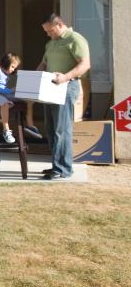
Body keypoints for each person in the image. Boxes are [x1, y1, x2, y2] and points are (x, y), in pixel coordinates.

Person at [36, 13, 91, 180]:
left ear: (60, 25)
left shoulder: (75, 39)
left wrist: (65, 77)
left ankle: (64, 169)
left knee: (62, 129)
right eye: (46, 31)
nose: (48, 34)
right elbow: (44, 64)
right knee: (51, 130)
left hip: (66, 87)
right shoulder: (51, 43)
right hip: (50, 88)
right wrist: (36, 76)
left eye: (50, 30)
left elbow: (85, 64)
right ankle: (56, 165)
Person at [0, 52, 21, 143]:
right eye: (13, 67)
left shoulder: (6, 75)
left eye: (15, 68)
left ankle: (29, 125)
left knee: (20, 98)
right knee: (5, 103)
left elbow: (2, 90)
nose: (14, 69)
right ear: (7, 63)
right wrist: (9, 91)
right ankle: (6, 130)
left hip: (0, 95)